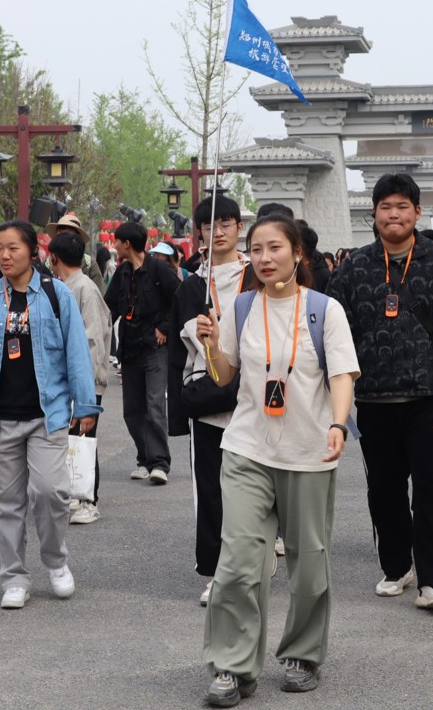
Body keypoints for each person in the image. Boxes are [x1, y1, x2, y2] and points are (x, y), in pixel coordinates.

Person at [195, 215, 359, 706]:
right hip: (247, 447)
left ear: (297, 253)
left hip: (309, 452)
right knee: (238, 563)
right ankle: (231, 666)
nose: (265, 259)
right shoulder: (242, 307)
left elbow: (343, 375)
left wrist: (338, 424)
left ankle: (303, 655)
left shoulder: (325, 310)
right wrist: (210, 341)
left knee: (309, 564)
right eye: (257, 250)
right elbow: (225, 375)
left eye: (275, 248)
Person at [328, 173, 433, 612]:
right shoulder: (353, 268)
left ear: (417, 212)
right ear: (373, 214)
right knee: (384, 489)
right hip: (373, 397)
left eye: (402, 206)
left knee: (432, 488)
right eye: (385, 207)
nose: (393, 214)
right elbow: (331, 330)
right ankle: (396, 566)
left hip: (429, 394)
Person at [0, 220, 101, 610]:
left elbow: (76, 352)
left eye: (13, 248)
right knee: (5, 501)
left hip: (47, 413)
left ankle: (55, 562)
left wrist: (85, 404)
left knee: (50, 491)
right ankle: (14, 576)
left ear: (32, 252)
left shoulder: (56, 296)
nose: (4, 255)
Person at [167, 194, 251, 605]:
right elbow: (178, 355)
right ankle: (216, 571)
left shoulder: (258, 276)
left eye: (226, 223)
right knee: (211, 491)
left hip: (255, 399)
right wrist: (178, 411)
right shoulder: (191, 285)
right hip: (209, 402)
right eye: (208, 225)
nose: (217, 231)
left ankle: (251, 562)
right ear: (197, 232)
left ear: (239, 227)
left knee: (256, 488)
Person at [103, 221, 181, 484]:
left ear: (127, 244)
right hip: (130, 347)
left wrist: (165, 328)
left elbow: (179, 301)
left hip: (155, 347)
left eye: (116, 242)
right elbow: (109, 306)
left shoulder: (159, 269)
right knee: (132, 409)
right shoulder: (123, 272)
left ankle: (159, 463)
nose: (114, 247)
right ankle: (144, 458)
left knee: (154, 404)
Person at [47, 231, 112, 525]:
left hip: (84, 376)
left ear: (54, 258)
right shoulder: (69, 286)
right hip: (73, 375)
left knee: (85, 438)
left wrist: (88, 381)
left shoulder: (83, 288)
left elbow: (92, 339)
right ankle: (76, 493)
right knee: (73, 437)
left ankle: (89, 499)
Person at [46, 212, 107, 293]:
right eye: (60, 235)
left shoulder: (89, 264)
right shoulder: (48, 263)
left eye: (68, 236)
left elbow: (100, 293)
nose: (64, 240)